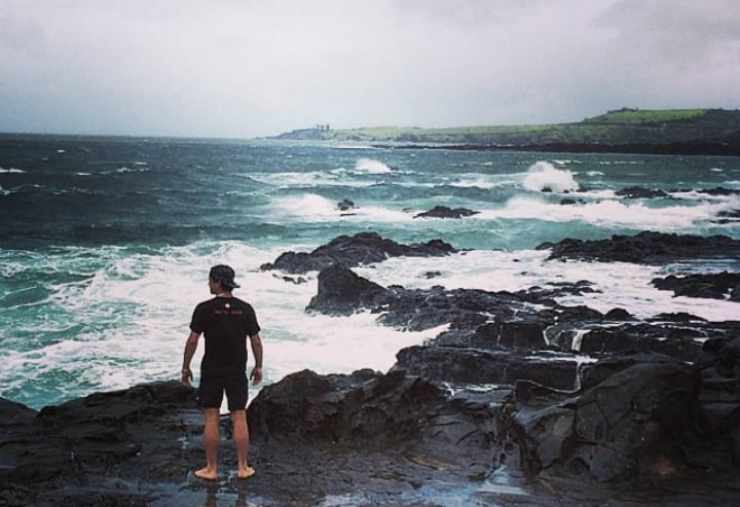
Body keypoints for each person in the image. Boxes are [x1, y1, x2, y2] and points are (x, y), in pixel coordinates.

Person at [180, 264, 264, 481]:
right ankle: (243, 467)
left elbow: (192, 340)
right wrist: (258, 365)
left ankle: (211, 469)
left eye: (210, 280)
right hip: (237, 368)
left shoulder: (204, 308)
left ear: (217, 281)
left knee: (211, 416)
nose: (208, 284)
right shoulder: (245, 308)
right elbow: (255, 340)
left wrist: (185, 366)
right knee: (239, 415)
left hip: (212, 369)